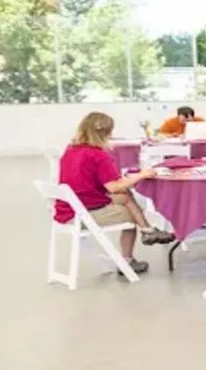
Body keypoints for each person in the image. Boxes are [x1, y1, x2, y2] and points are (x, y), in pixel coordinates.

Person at [55, 112, 175, 273]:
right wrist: (142, 175)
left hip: (68, 207)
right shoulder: (98, 155)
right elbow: (113, 187)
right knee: (130, 213)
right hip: (82, 213)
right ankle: (128, 259)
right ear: (106, 133)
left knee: (126, 196)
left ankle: (148, 231)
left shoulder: (71, 150)